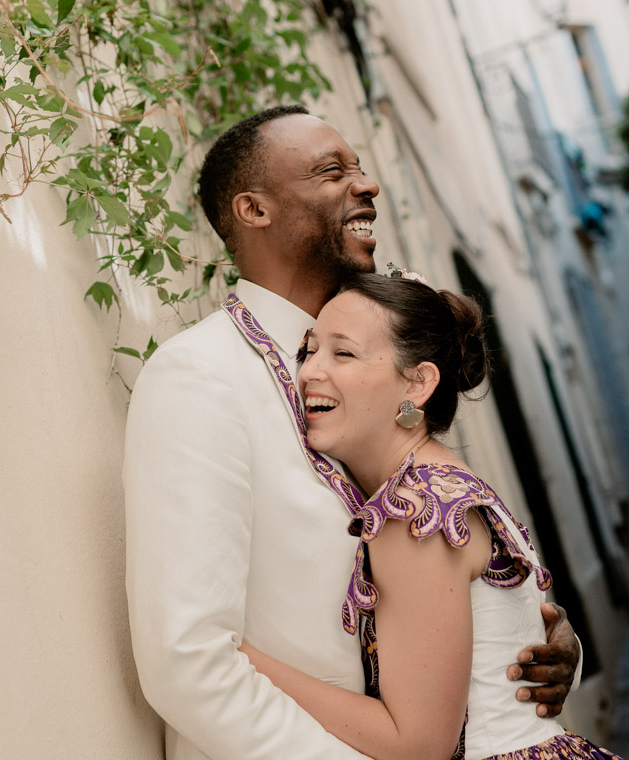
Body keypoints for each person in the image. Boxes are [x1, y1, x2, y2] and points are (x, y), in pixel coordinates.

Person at [123, 105, 582, 760]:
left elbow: (452, 594)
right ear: (254, 210)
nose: (365, 185)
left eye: (362, 168)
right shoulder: (202, 379)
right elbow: (189, 662)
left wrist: (542, 648)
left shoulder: (377, 376)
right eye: (332, 170)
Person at [238, 272, 623, 760]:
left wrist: (245, 663)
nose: (309, 371)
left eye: (344, 352)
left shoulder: (416, 510)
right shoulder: (442, 478)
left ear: (418, 383)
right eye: (308, 350)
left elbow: (419, 745)